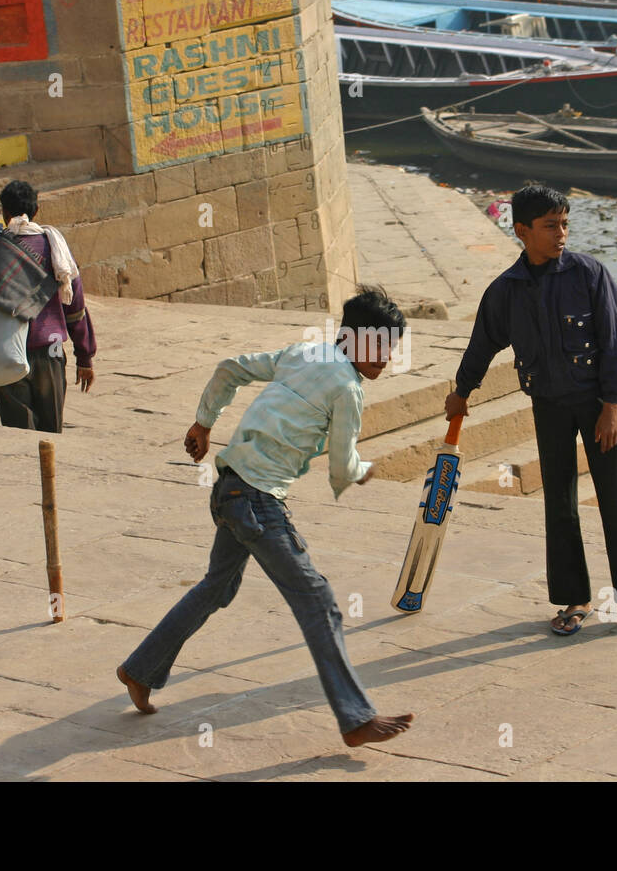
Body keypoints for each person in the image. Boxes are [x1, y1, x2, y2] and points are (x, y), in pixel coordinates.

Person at [117, 286, 416, 747]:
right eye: (379, 346)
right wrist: (363, 470)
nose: (385, 358)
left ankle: (140, 669)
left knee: (217, 587)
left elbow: (230, 369)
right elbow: (341, 465)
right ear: (353, 338)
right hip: (256, 501)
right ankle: (356, 718)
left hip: (229, 490)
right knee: (318, 601)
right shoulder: (348, 390)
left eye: (390, 348)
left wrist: (204, 421)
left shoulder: (305, 353)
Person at [445, 184, 617, 638]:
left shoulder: (590, 275)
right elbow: (481, 345)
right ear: (522, 231)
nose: (561, 234)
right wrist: (462, 391)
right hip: (548, 405)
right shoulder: (505, 291)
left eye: (565, 224)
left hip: (597, 406)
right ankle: (575, 599)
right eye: (550, 226)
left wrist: (611, 406)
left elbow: (615, 344)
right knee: (560, 502)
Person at [0, 181, 96, 432]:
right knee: (51, 432)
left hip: (6, 352)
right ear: (37, 210)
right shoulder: (57, 249)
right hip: (51, 350)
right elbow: (75, 308)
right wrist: (84, 357)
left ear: (4, 213)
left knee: (18, 433)